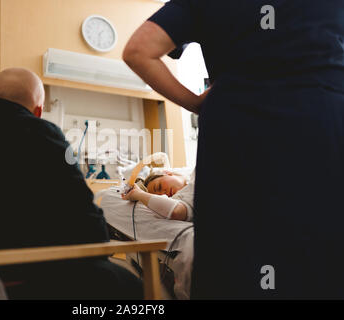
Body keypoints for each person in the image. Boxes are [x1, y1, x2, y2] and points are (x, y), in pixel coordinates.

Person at [123, 0, 344, 298]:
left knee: (236, 260)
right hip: (324, 115)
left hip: (237, 121)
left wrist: (198, 104)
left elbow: (139, 51)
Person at [0, 68, 142, 299]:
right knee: (131, 285)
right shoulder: (45, 137)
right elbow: (90, 229)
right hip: (25, 278)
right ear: (38, 111)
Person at [122, 170, 195, 221]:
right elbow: (175, 211)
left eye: (159, 187)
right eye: (162, 197)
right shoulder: (181, 200)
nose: (164, 194)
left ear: (167, 173)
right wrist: (137, 194)